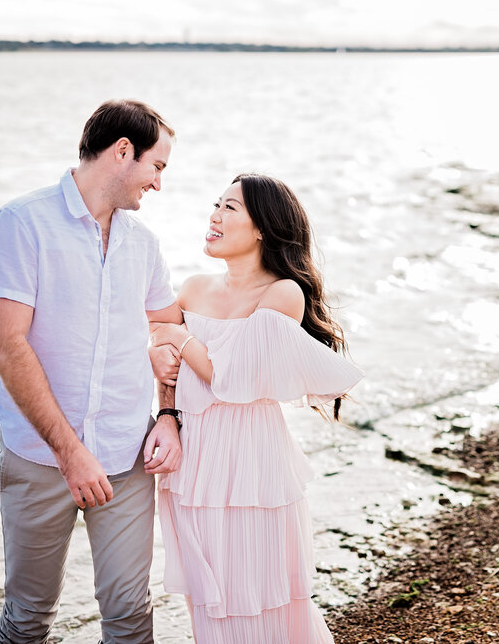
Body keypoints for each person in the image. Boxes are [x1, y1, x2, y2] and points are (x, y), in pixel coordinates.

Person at [0, 99, 185, 643]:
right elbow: (6, 346)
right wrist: (71, 454)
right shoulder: (20, 224)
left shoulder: (143, 243)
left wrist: (167, 413)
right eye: (156, 166)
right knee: (27, 619)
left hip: (125, 453)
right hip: (39, 459)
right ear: (123, 152)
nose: (158, 183)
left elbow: (167, 326)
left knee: (130, 618)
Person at [149, 173, 363, 643]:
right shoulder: (193, 288)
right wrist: (160, 361)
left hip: (252, 462)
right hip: (195, 460)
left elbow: (232, 377)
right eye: (215, 205)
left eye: (230, 208)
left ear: (263, 227)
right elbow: (153, 345)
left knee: (261, 591)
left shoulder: (282, 293)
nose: (214, 216)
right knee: (209, 598)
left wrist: (178, 338)